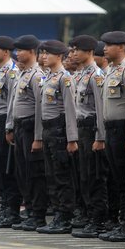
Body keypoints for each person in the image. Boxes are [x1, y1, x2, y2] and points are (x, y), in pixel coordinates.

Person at [98, 31, 125, 242]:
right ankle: (120, 222)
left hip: (123, 129)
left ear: (121, 48)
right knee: (116, 179)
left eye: (109, 45)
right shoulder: (109, 71)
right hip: (110, 129)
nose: (104, 48)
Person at [35, 40, 78, 234]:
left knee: (62, 176)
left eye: (48, 53)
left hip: (60, 132)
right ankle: (57, 214)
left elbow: (70, 110)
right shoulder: (47, 77)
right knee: (50, 175)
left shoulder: (64, 78)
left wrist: (72, 139)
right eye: (42, 53)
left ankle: (65, 216)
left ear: (59, 56)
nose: (43, 56)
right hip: (48, 131)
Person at [69, 35, 109, 238]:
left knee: (94, 176)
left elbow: (101, 109)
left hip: (92, 129)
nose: (74, 53)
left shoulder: (96, 75)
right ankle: (87, 214)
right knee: (83, 176)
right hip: (80, 130)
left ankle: (98, 219)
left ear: (90, 51)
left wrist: (100, 137)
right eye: (73, 49)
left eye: (78, 50)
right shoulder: (79, 75)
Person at [7, 35, 47, 232]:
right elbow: (13, 104)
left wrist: (38, 137)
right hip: (20, 128)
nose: (17, 53)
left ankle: (38, 214)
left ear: (32, 51)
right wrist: (10, 127)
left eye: (21, 50)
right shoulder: (22, 74)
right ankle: (30, 209)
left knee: (34, 174)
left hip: (31, 129)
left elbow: (41, 108)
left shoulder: (37, 75)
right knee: (22, 173)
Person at [0, 36, 21, 228]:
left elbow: (11, 103)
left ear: (6, 52)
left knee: (8, 168)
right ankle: (4, 207)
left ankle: (12, 210)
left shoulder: (11, 73)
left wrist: (9, 127)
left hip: (4, 123)